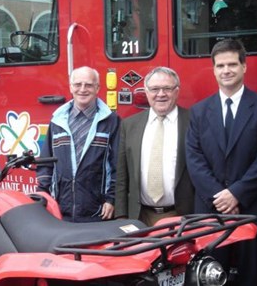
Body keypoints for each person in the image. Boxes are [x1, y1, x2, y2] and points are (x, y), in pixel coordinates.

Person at [186, 39, 257, 286]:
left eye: (231, 64)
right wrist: (222, 198)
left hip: (253, 210)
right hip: (211, 212)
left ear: (244, 66)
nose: (226, 70)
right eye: (220, 66)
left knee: (251, 278)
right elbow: (195, 159)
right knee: (208, 278)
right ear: (213, 69)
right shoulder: (198, 111)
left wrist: (237, 194)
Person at [37, 66, 120, 222]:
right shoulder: (57, 121)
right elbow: (46, 162)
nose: (83, 89)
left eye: (88, 85)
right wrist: (43, 195)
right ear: (70, 87)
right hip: (61, 209)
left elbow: (117, 165)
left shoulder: (111, 121)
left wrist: (111, 199)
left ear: (97, 88)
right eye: (78, 84)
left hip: (97, 211)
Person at [115, 67, 194, 226]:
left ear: (177, 91)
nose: (161, 94)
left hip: (182, 217)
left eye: (167, 89)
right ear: (146, 92)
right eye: (155, 89)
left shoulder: (193, 122)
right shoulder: (129, 125)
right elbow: (122, 176)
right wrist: (121, 216)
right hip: (139, 217)